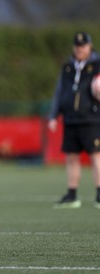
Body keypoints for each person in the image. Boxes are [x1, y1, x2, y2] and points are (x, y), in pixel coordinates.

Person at [48, 31, 100, 209]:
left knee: (96, 155)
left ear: (90, 46)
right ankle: (72, 195)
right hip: (71, 118)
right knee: (71, 157)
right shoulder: (68, 67)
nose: (80, 49)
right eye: (77, 46)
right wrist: (54, 115)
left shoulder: (98, 64)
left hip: (92, 118)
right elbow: (59, 92)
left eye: (83, 45)